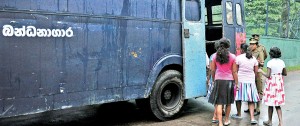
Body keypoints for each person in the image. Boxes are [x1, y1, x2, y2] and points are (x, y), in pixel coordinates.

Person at [208, 38, 238, 126]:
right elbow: (234, 71)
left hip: (218, 80)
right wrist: (237, 82)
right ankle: (226, 120)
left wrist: (214, 79)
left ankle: (220, 123)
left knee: (219, 103)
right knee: (228, 102)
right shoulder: (233, 56)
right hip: (229, 81)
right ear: (228, 46)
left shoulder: (214, 56)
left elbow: (212, 70)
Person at [231, 43, 260, 124]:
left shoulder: (238, 58)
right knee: (251, 100)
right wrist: (253, 79)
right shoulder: (253, 58)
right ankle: (252, 118)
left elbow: (235, 71)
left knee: (238, 98)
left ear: (242, 50)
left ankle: (239, 114)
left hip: (240, 81)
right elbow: (256, 71)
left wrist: (236, 82)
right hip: (250, 81)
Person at [258, 47, 287, 126]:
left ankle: (269, 121)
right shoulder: (282, 62)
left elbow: (268, 75)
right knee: (278, 105)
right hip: (279, 83)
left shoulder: (270, 63)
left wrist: (261, 71)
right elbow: (285, 73)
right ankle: (280, 122)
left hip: (271, 84)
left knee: (270, 103)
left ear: (271, 54)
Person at [245, 38, 265, 116]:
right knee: (249, 90)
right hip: (250, 73)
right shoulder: (249, 51)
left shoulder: (260, 51)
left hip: (257, 73)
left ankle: (258, 108)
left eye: (253, 44)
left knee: (258, 90)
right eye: (250, 44)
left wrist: (256, 62)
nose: (251, 45)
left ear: (256, 45)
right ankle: (250, 107)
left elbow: (262, 63)